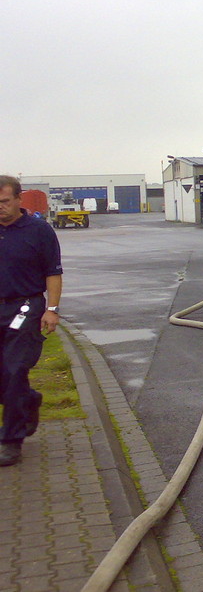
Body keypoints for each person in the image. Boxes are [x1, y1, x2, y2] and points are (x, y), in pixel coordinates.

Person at [0, 176, 63, 467]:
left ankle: (11, 440)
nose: (0, 208)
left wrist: (52, 308)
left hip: (25, 308)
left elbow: (53, 272)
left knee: (14, 371)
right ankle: (29, 400)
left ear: (18, 199)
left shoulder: (39, 231)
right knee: (5, 377)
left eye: (5, 201)